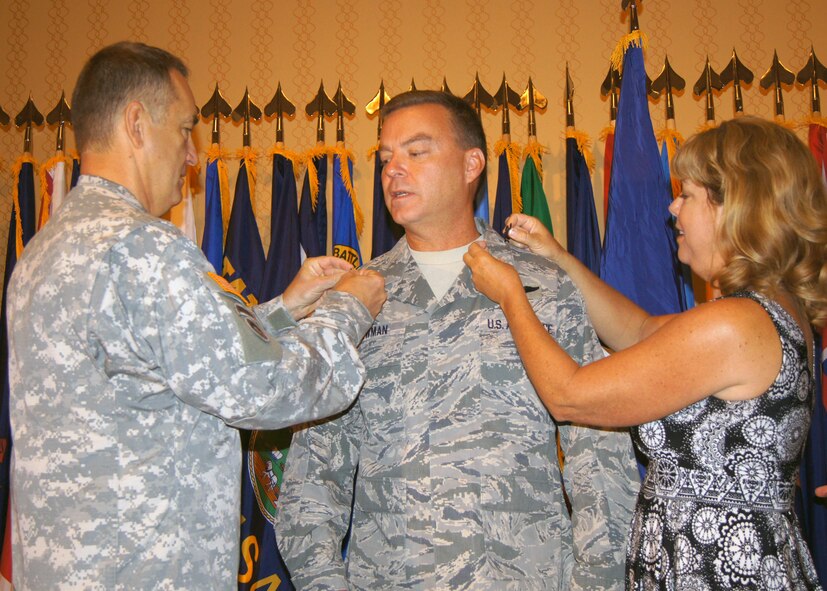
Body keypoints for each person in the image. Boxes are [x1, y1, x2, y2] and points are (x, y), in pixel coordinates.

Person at [6, 41, 386, 589]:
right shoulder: (141, 249)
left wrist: (285, 308)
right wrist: (349, 308)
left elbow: (169, 363)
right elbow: (263, 387)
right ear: (137, 123)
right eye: (185, 130)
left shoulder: (44, 252)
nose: (194, 156)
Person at [276, 90, 640, 590]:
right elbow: (313, 477)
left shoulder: (543, 287)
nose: (393, 170)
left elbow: (597, 456)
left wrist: (596, 582)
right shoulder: (357, 300)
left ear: (473, 163)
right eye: (385, 159)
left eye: (416, 152)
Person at [464, 116, 826, 590]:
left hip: (720, 571)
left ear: (736, 206)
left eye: (689, 194)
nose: (673, 208)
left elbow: (570, 396)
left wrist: (512, 296)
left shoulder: (733, 324)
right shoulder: (769, 312)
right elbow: (638, 330)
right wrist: (558, 258)